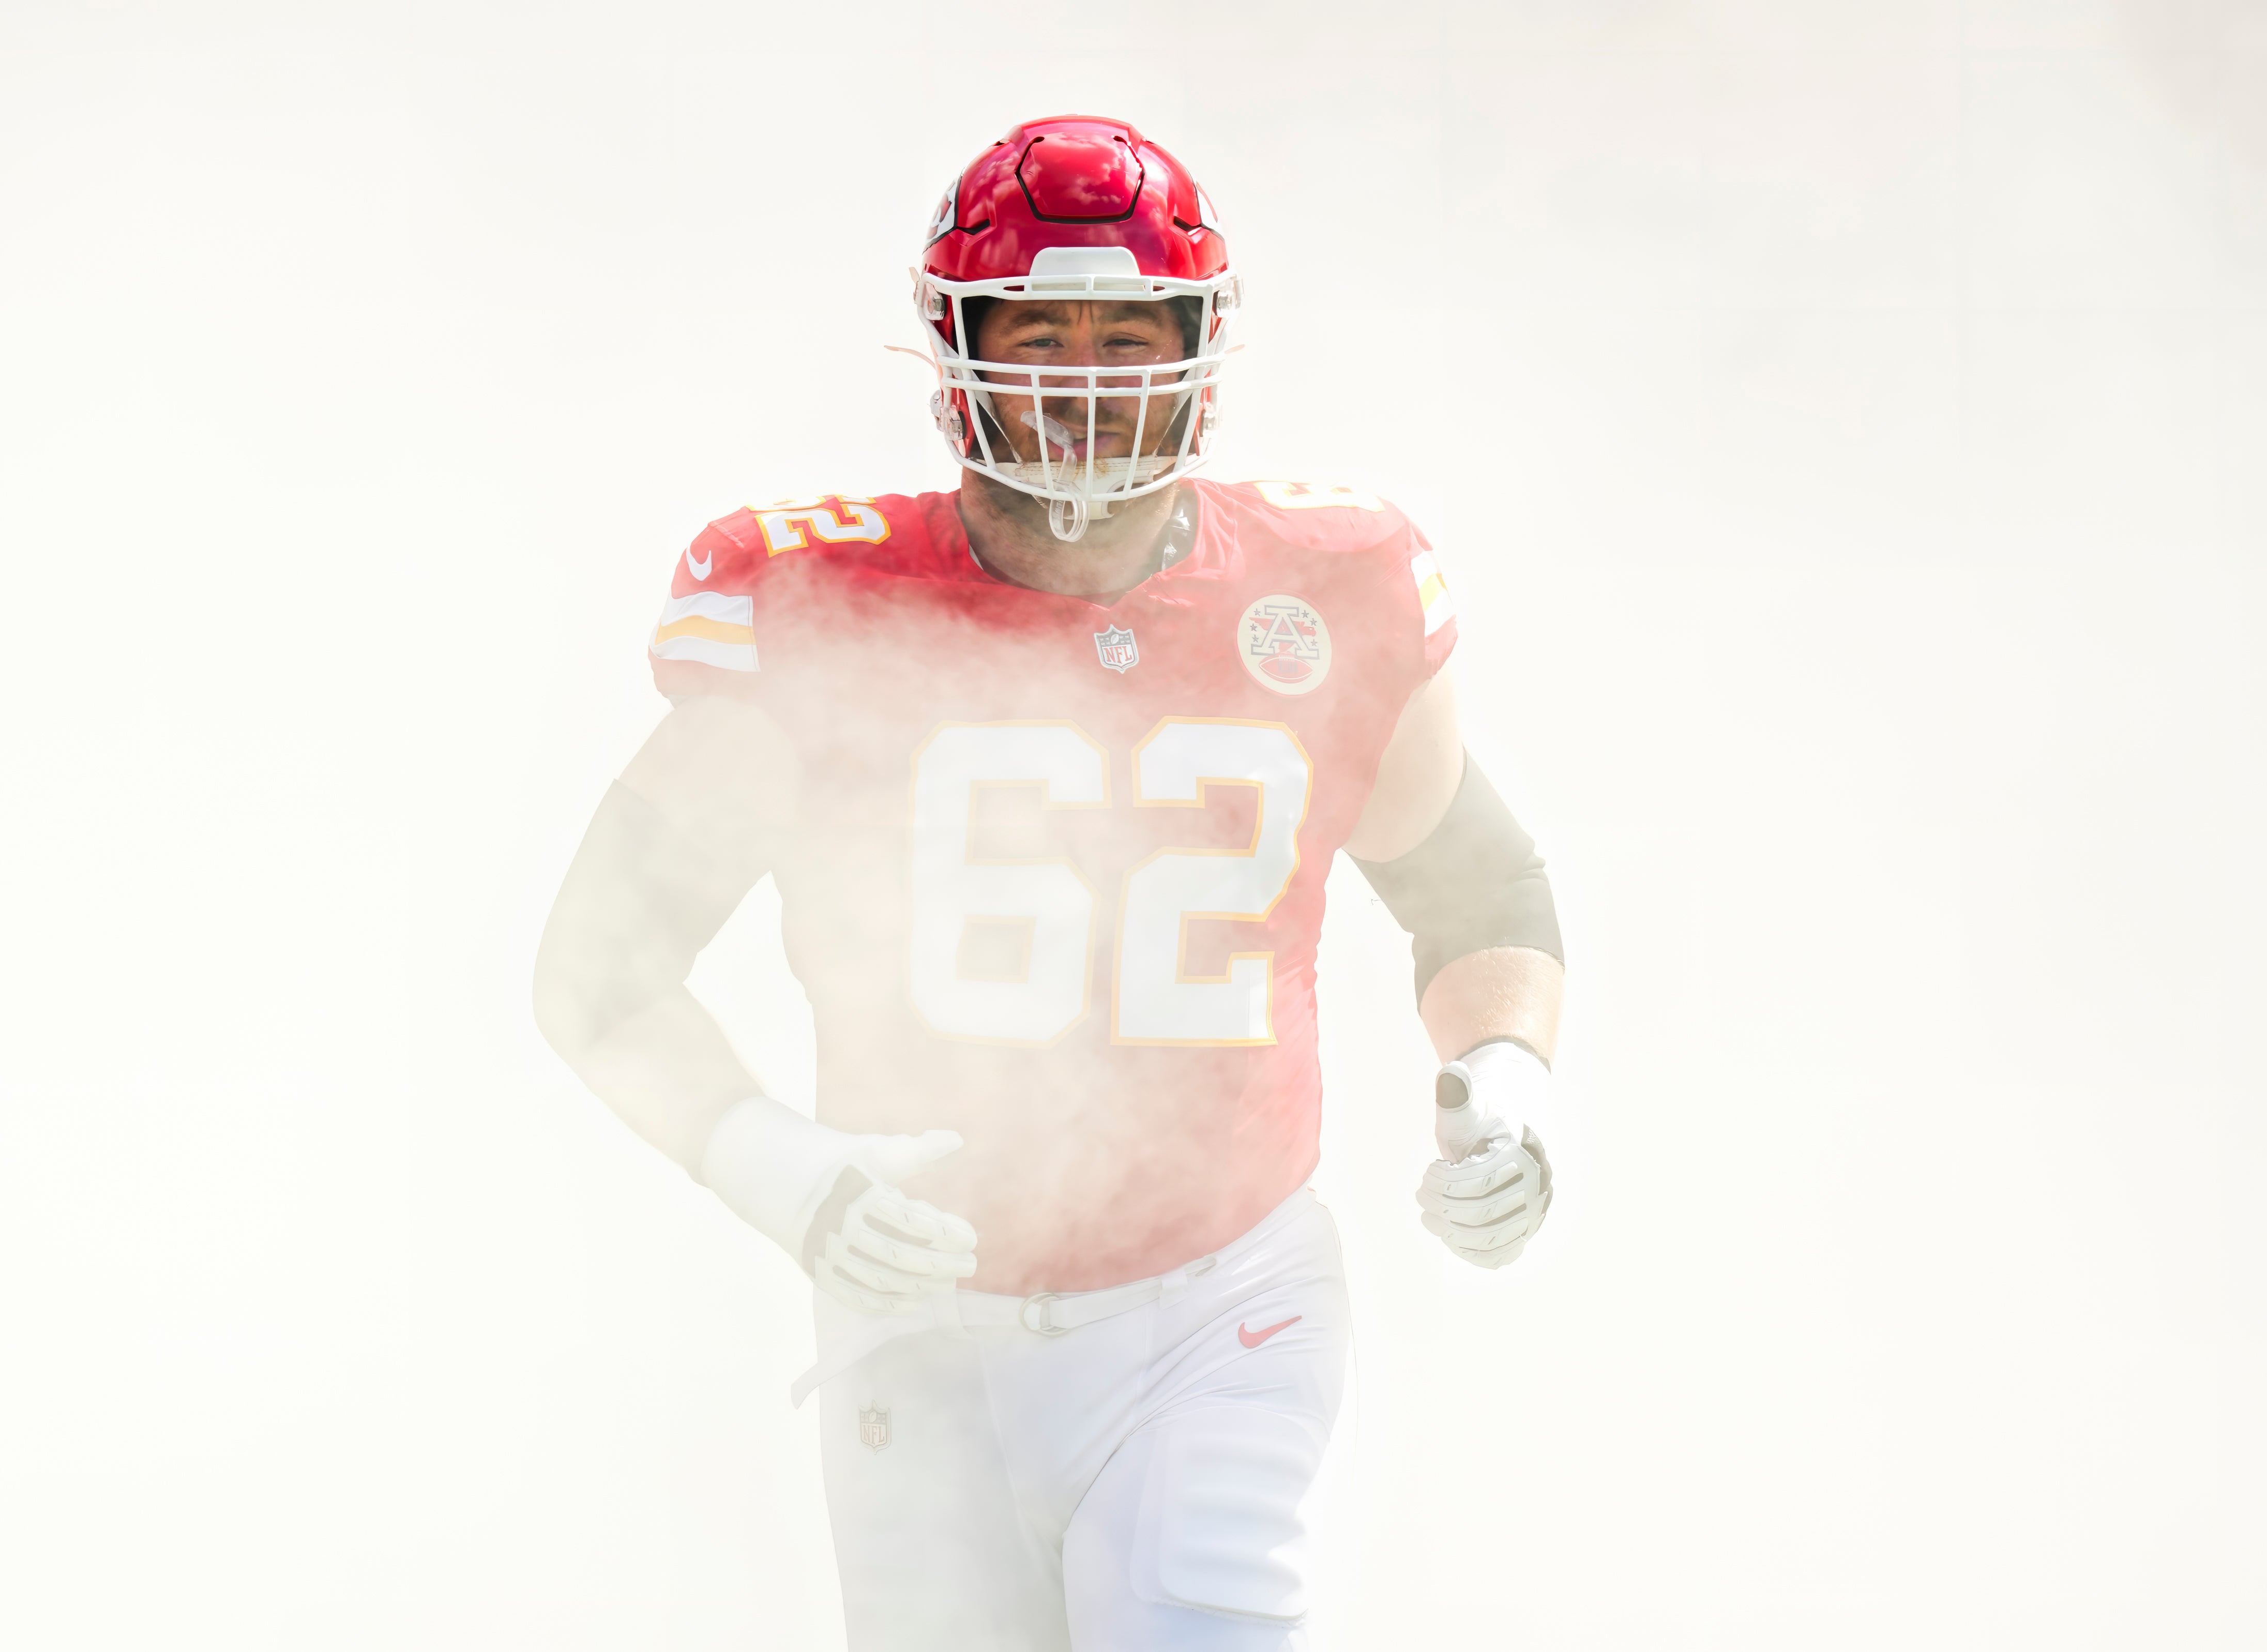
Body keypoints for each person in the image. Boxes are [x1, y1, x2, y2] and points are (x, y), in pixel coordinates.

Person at [533, 114, 1567, 1651]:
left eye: (1124, 330)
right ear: (957, 347)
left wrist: (1502, 1075)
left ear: (1199, 347)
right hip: (913, 1330)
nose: (1085, 376)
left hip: (1222, 1304)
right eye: (1044, 330)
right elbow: (599, 967)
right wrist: (783, 1170)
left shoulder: (1324, 590)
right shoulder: (818, 607)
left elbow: (1478, 897)